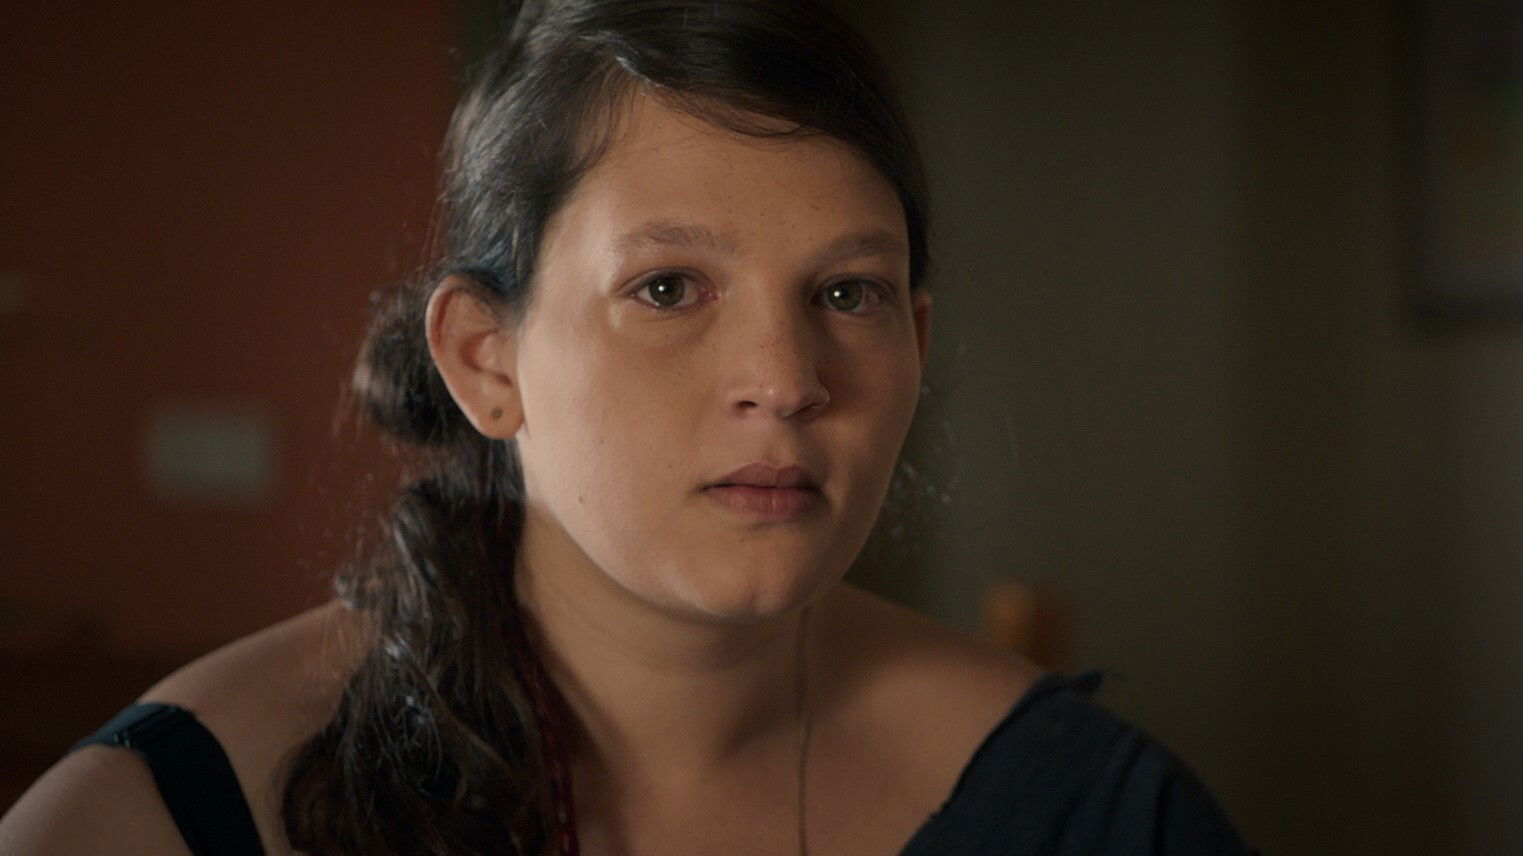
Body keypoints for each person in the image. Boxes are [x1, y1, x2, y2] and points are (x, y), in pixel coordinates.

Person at [0, 1, 1253, 853]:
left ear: (915, 346)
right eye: (666, 289)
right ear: (486, 358)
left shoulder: (1094, 812)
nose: (785, 380)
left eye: (845, 294)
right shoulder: (160, 819)